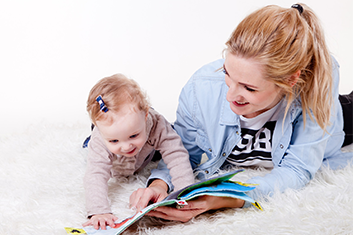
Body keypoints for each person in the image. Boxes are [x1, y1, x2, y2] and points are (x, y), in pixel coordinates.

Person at [129, 3, 353, 222]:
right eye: (227, 74)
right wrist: (159, 184)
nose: (230, 96)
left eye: (249, 88)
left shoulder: (315, 89)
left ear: (291, 80)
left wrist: (227, 198)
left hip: (341, 119)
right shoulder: (201, 89)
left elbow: (297, 170)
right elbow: (182, 150)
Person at [82, 74, 195, 229]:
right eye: (114, 140)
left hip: (146, 152)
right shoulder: (100, 139)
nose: (127, 146)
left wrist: (187, 191)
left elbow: (176, 154)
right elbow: (95, 174)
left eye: (133, 135)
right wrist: (98, 211)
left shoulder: (155, 123)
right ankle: (90, 140)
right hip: (115, 160)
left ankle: (144, 138)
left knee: (173, 137)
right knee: (92, 149)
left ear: (146, 114)